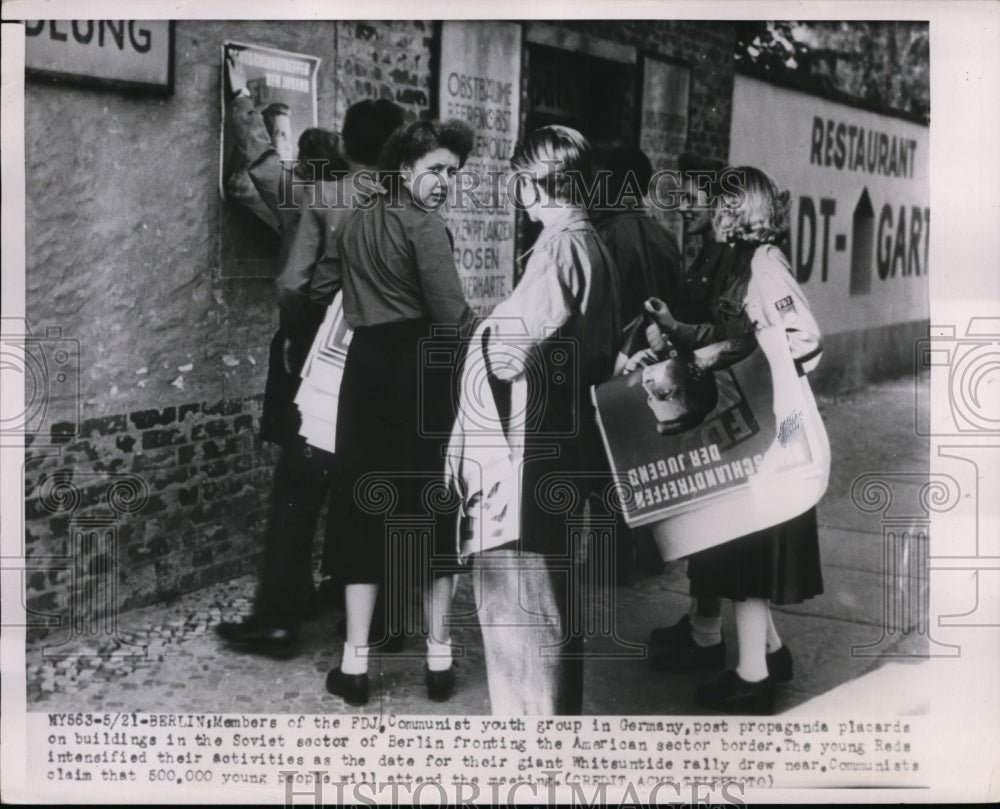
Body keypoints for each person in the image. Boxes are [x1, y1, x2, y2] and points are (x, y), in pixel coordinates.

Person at [215, 103, 403, 658]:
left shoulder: (327, 198)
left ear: (347, 145)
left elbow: (295, 285)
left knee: (299, 486)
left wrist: (296, 339)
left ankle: (276, 619)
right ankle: (377, 619)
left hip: (328, 350)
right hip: (389, 357)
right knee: (373, 483)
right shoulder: (409, 205)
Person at [642, 166, 824, 715]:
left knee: (750, 556)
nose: (709, 217)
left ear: (739, 213)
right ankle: (766, 656)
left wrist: (727, 357)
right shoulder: (745, 264)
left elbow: (806, 340)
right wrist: (681, 331)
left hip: (769, 435)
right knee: (743, 551)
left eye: (719, 209)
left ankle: (753, 679)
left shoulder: (765, 267)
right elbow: (729, 335)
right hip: (749, 428)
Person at [465, 125, 621, 714]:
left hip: (531, 451)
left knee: (521, 608)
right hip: (570, 441)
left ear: (537, 183)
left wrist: (477, 337)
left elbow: (506, 353)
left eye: (519, 179)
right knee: (551, 602)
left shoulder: (558, 247)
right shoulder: (591, 240)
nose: (516, 191)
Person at [323, 119, 477, 707]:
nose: (444, 182)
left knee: (363, 507)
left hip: (365, 376)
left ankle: (354, 664)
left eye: (452, 173)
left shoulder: (358, 219)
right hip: (422, 373)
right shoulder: (426, 226)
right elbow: (450, 318)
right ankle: (438, 658)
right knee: (436, 507)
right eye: (435, 169)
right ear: (405, 168)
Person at [591, 145, 684, 331]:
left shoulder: (600, 237)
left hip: (618, 354)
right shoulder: (668, 238)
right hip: (661, 349)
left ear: (608, 183)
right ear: (646, 185)